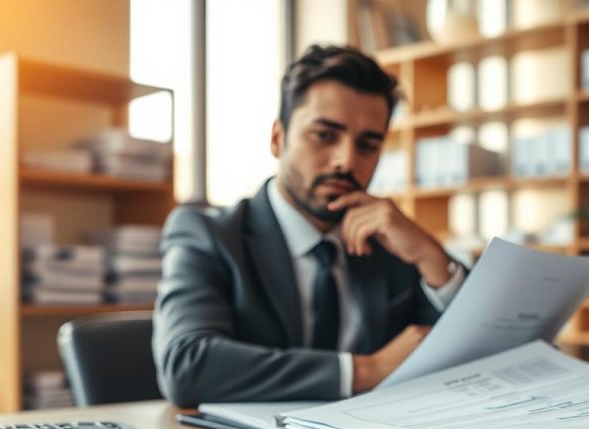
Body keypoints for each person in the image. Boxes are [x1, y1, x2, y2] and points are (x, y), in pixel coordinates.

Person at [152, 45, 465, 407]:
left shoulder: (390, 242)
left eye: (367, 145)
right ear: (278, 138)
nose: (346, 160)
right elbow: (187, 366)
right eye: (325, 135)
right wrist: (365, 370)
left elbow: (485, 349)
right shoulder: (207, 234)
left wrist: (432, 257)